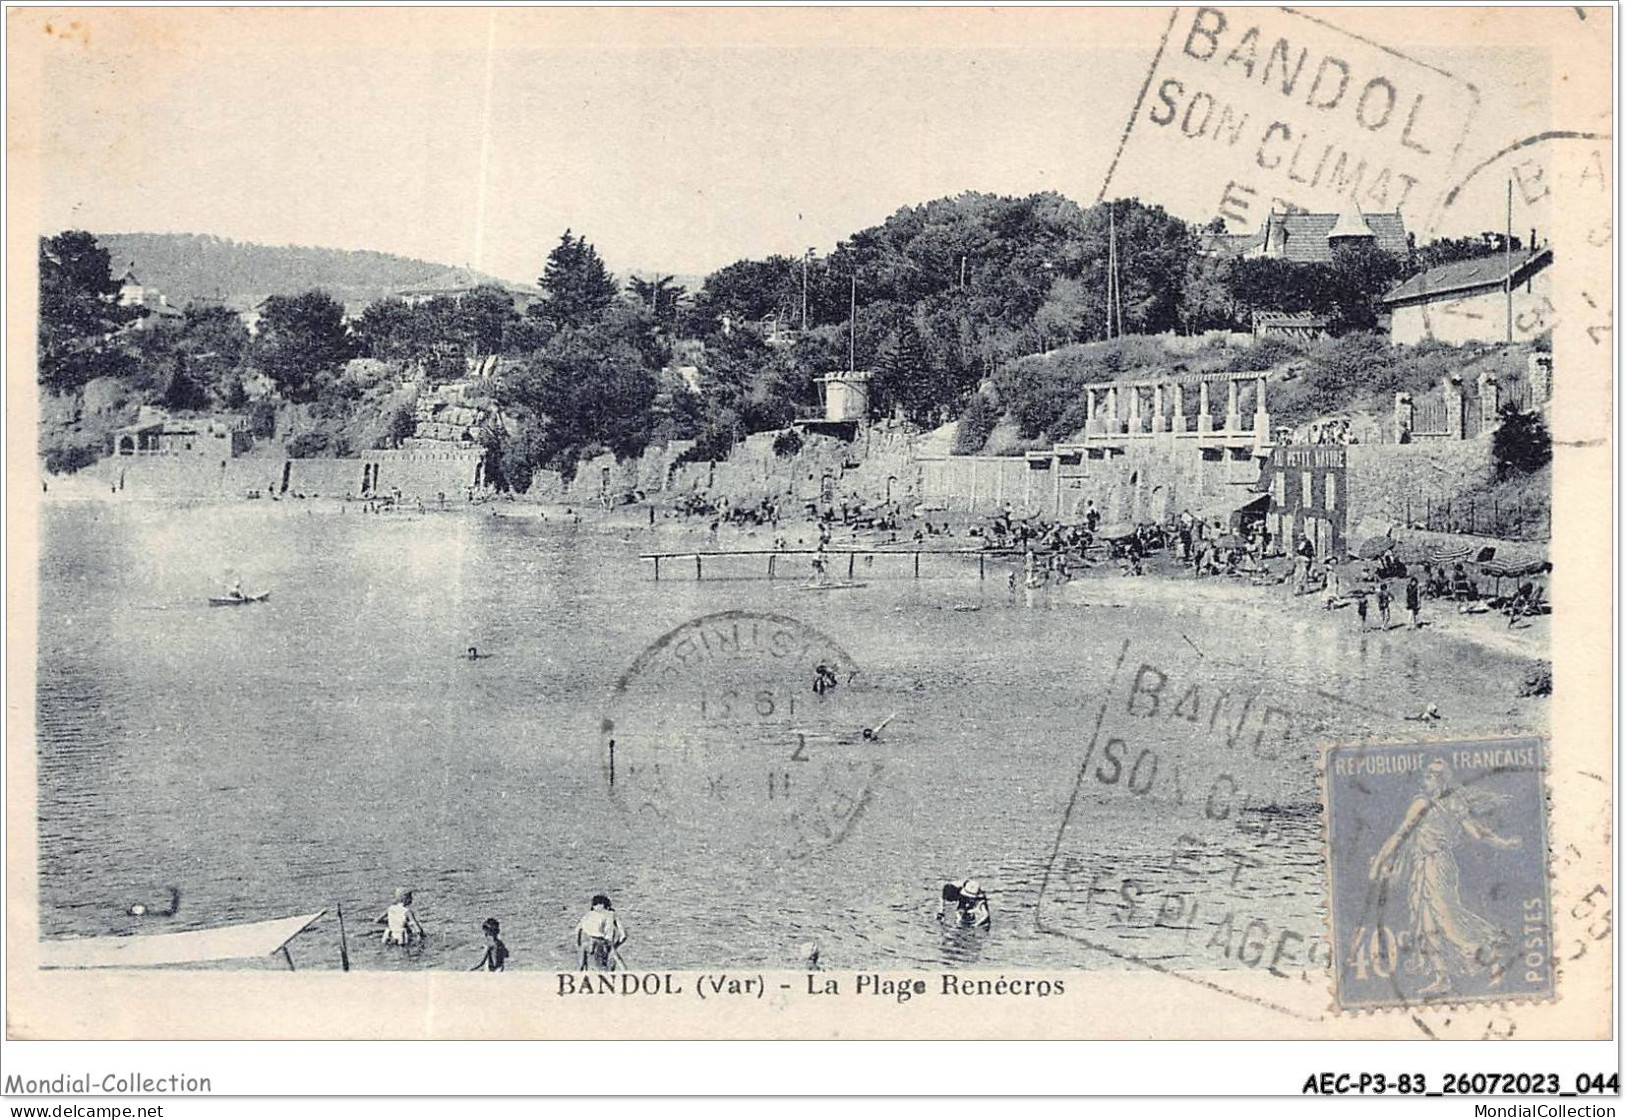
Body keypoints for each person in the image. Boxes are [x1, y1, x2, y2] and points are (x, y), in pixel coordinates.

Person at [1368, 758, 1521, 998]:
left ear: (1442, 780)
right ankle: (1442, 978)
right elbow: (1401, 834)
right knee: (1426, 921)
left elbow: (1476, 832)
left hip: (1438, 864)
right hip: (1422, 864)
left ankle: (1494, 957)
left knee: (1448, 919)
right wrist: (1380, 859)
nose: (1426, 780)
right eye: (1426, 775)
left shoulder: (1445, 804)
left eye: (1431, 776)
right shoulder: (1425, 802)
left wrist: (1504, 843)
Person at [577, 894, 628, 972]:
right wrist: (615, 946)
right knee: (609, 969)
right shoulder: (612, 914)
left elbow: (578, 930)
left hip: (591, 943)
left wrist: (578, 944)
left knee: (583, 968)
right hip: (606, 943)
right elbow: (623, 935)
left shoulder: (589, 914)